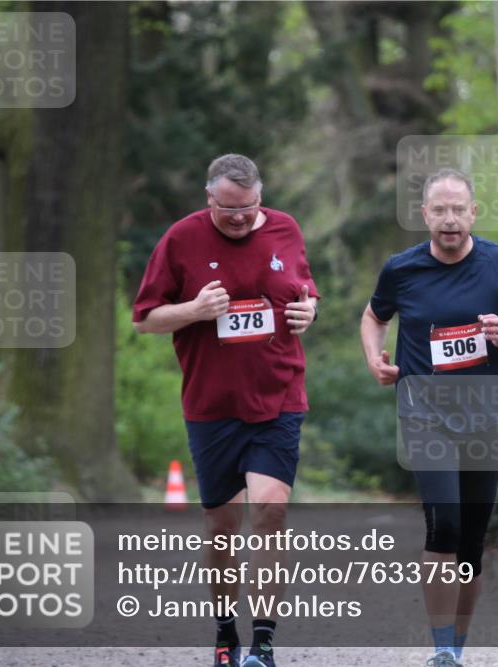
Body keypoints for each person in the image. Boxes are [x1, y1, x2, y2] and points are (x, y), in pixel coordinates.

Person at [133, 154, 320, 667]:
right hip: (212, 404)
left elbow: (304, 293)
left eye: (249, 208)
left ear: (261, 197)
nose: (240, 218)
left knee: (271, 510)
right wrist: (195, 310)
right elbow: (146, 319)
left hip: (279, 395)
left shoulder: (285, 228)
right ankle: (224, 633)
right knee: (222, 525)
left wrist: (309, 310)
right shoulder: (181, 239)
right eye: (228, 210)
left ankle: (262, 642)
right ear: (208, 198)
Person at [360, 168, 498, 667]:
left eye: (457, 210)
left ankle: (457, 647)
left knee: (471, 544)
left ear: (472, 214)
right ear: (425, 216)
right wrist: (375, 358)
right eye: (438, 210)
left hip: (485, 418)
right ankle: (441, 649)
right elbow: (374, 316)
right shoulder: (402, 269)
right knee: (443, 524)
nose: (448, 220)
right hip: (424, 415)